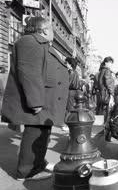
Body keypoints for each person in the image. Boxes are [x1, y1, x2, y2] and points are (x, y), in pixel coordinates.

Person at [1, 16, 69, 180]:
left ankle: (38, 163)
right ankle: (27, 171)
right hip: (39, 101)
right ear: (44, 30)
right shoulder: (30, 42)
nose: (52, 31)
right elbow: (29, 74)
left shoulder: (39, 43)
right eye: (52, 28)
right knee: (34, 135)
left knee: (42, 134)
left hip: (44, 99)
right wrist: (36, 102)